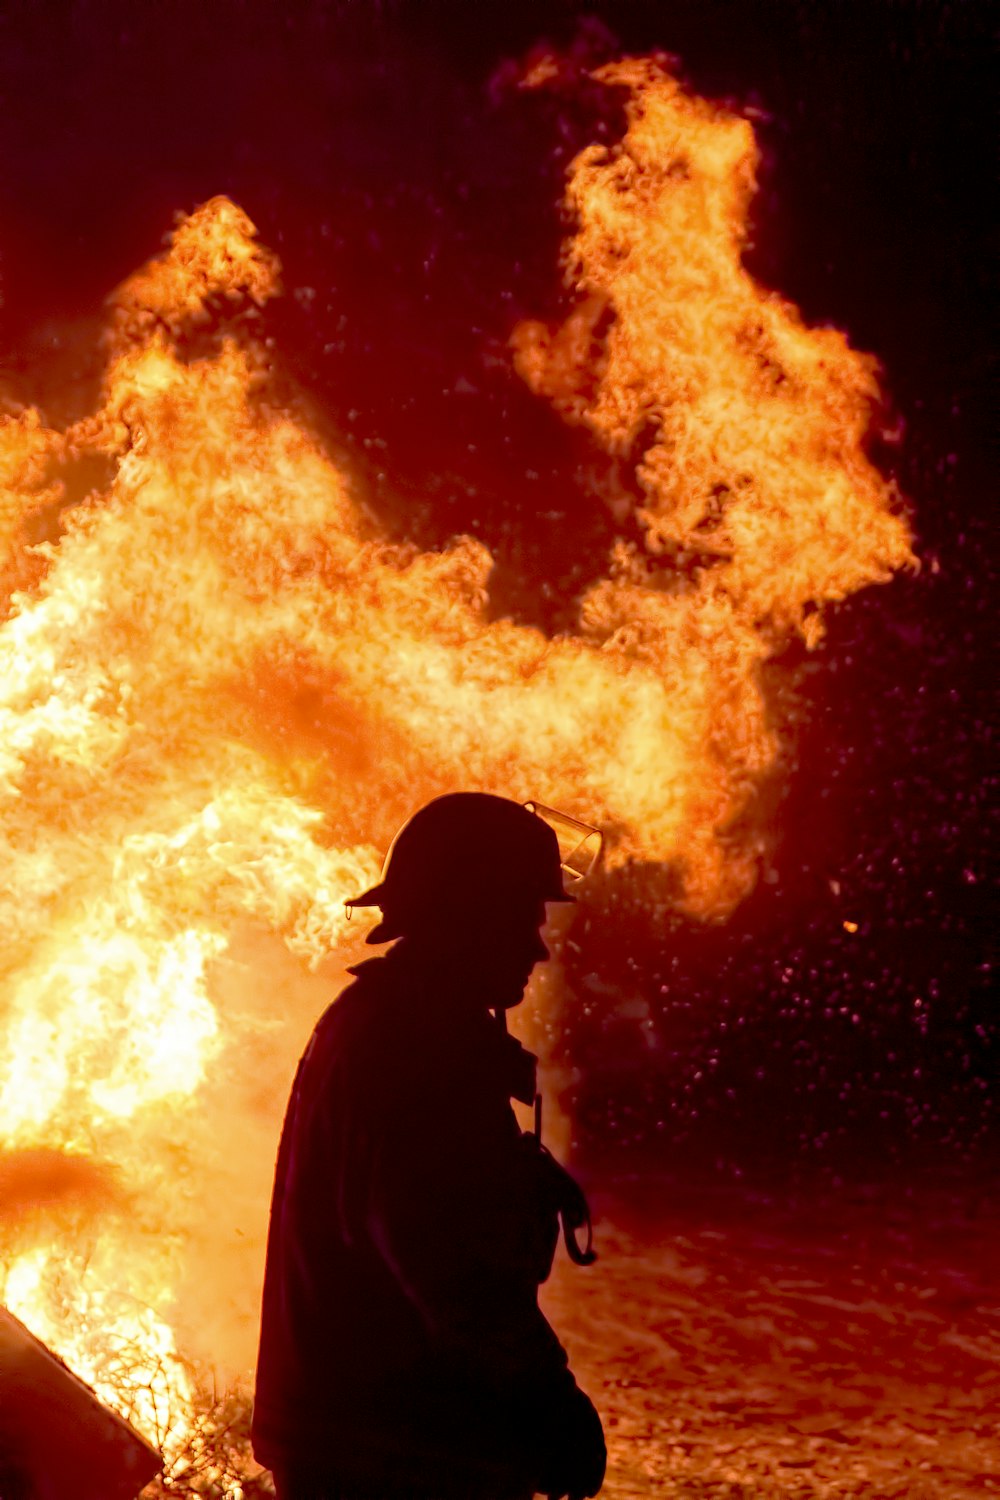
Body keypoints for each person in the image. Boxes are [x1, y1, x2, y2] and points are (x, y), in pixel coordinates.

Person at [252, 792, 606, 1500]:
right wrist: (551, 1402)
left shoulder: (383, 1021)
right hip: (390, 1461)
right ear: (467, 917)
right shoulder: (417, 1048)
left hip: (352, 1445)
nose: (538, 947)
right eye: (524, 918)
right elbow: (452, 1275)